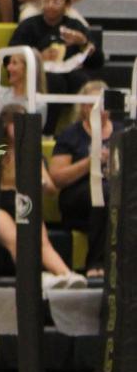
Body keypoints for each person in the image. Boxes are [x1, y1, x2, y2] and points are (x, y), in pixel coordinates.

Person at [0, 104, 84, 291]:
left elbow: (51, 188)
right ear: (6, 125)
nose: (21, 129)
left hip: (21, 200)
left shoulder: (30, 153)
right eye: (16, 123)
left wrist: (39, 180)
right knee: (15, 238)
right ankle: (35, 278)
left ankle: (67, 276)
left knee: (41, 241)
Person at [50, 80, 113, 281]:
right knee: (102, 191)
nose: (99, 110)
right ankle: (95, 263)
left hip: (113, 193)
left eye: (103, 105)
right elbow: (58, 178)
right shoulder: (71, 135)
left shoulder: (123, 132)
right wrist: (91, 162)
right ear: (83, 108)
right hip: (77, 197)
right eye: (92, 104)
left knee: (110, 191)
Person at [9, 0, 103, 93]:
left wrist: (83, 43)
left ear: (67, 5)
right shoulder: (28, 25)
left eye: (56, 2)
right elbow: (11, 55)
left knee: (81, 81)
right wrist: (38, 57)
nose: (50, 5)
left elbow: (98, 61)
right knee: (54, 82)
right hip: (39, 73)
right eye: (46, 0)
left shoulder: (76, 26)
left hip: (70, 72)